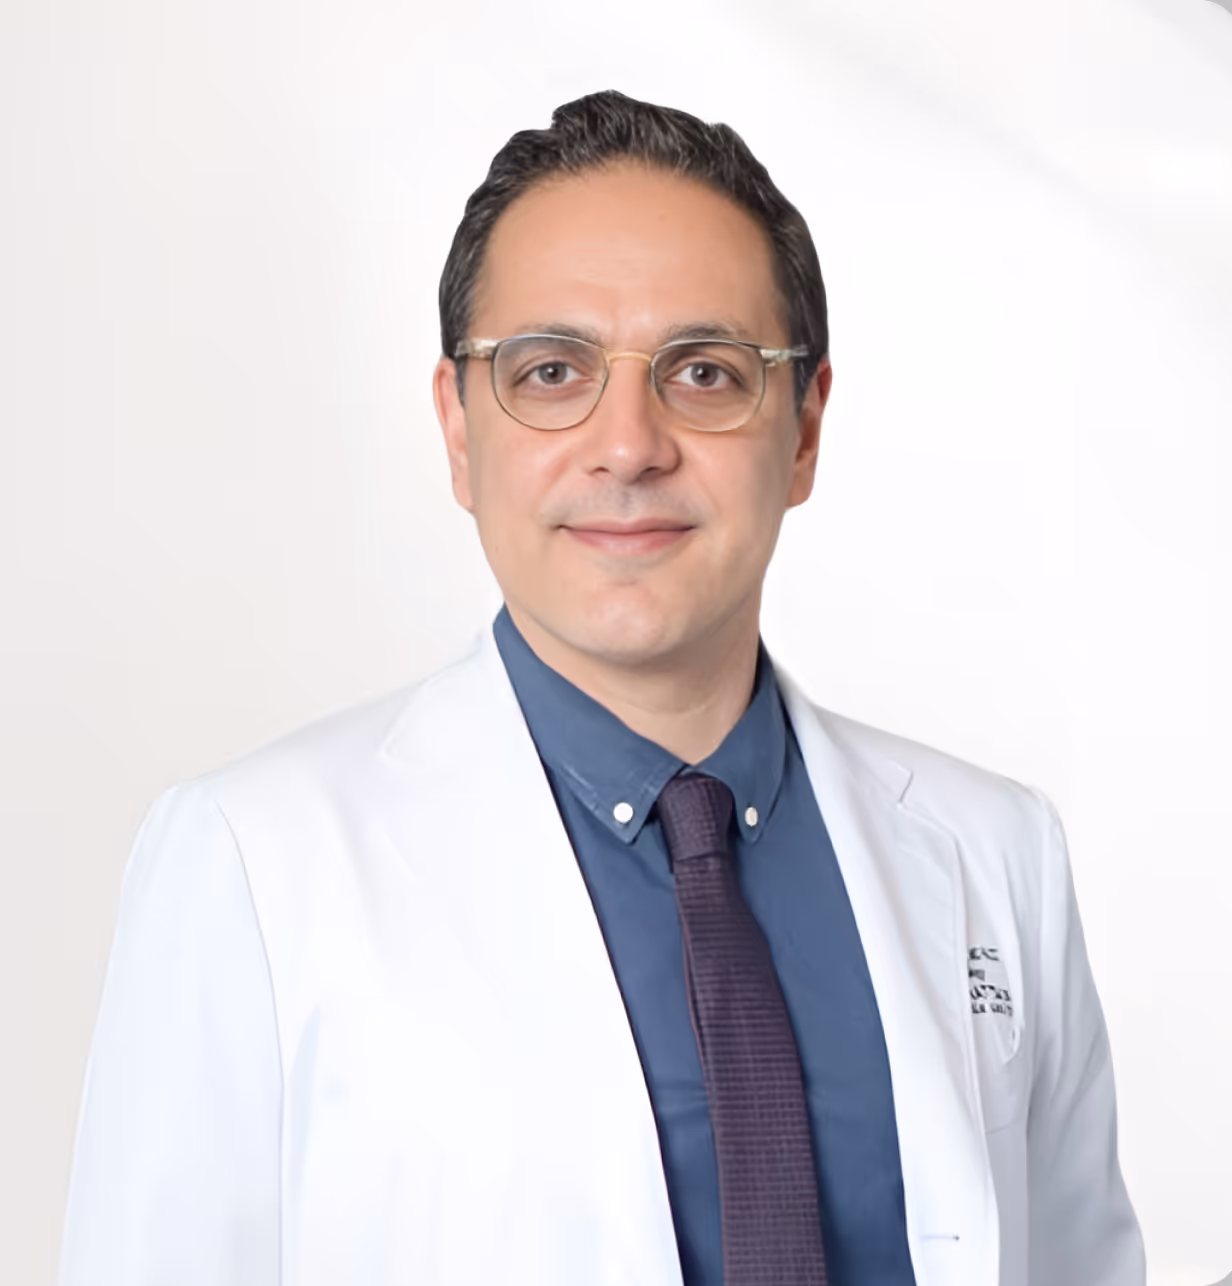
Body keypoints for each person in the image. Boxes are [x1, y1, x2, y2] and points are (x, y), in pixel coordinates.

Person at [59, 90, 1145, 1286]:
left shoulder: (996, 852)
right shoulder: (250, 863)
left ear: (802, 430)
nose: (627, 443)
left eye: (703, 371)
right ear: (460, 432)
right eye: (549, 370)